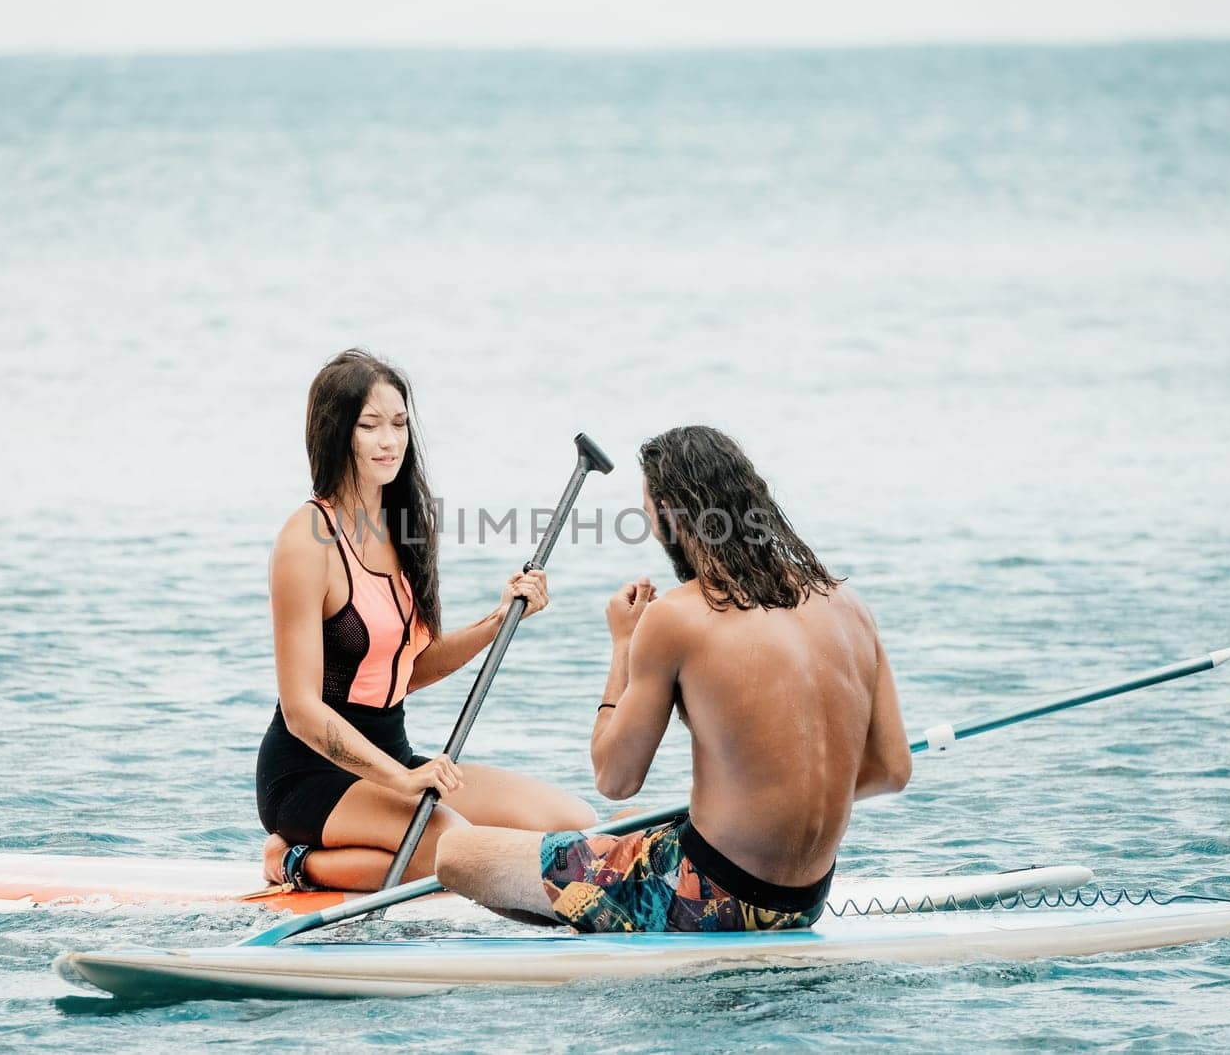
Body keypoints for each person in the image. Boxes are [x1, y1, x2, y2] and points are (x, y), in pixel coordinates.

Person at [435, 425, 911, 932]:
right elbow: (891, 770)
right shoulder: (847, 604)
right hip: (805, 899)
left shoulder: (679, 616)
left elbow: (615, 778)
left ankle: (600, 917)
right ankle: (600, 903)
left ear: (667, 512)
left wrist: (623, 643)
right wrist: (773, 797)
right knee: (625, 828)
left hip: (707, 899)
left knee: (457, 851)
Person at [258, 349, 595, 891]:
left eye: (398, 424)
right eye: (370, 426)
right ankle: (294, 860)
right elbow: (301, 711)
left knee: (576, 825)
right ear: (335, 432)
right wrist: (403, 779)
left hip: (391, 758)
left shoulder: (404, 525)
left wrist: (500, 617)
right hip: (310, 774)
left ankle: (370, 838)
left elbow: (406, 670)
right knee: (458, 851)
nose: (389, 441)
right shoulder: (306, 541)